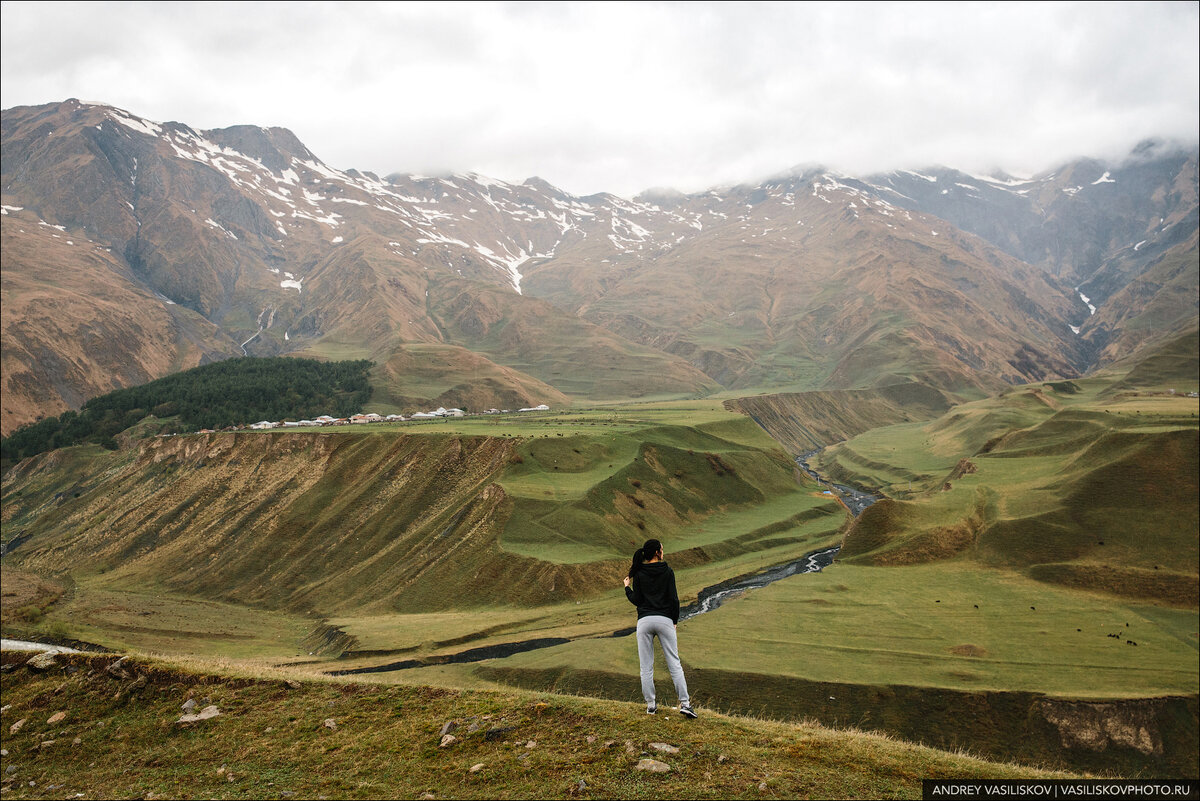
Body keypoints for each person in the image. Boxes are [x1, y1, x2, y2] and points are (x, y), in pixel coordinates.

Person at [623, 538, 697, 718]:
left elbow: (637, 601)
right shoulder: (668, 571)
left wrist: (627, 588)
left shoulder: (639, 574)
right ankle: (685, 704)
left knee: (646, 666)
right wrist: (674, 621)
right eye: (662, 548)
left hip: (644, 621)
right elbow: (674, 599)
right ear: (658, 552)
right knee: (674, 663)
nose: (663, 551)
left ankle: (651, 706)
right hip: (665, 619)